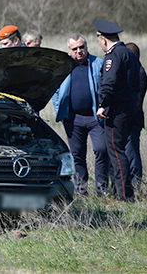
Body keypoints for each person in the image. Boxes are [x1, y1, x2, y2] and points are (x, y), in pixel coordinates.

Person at [51, 33, 109, 196]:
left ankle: (101, 189)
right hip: (72, 119)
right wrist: (59, 109)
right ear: (69, 50)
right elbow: (55, 90)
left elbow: (108, 87)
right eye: (74, 49)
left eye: (81, 47)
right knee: (77, 154)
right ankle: (81, 190)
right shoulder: (64, 66)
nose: (79, 51)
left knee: (101, 149)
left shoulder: (99, 63)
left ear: (86, 47)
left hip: (95, 117)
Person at [94, 19, 138, 202]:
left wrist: (103, 105)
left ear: (103, 40)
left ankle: (123, 195)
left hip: (116, 111)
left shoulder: (113, 56)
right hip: (129, 108)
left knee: (116, 151)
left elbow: (109, 84)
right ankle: (120, 191)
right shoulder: (129, 54)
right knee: (120, 150)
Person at [124, 42, 147, 188]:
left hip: (132, 119)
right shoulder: (136, 70)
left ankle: (135, 185)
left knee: (132, 154)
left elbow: (137, 102)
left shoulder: (138, 73)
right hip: (131, 118)